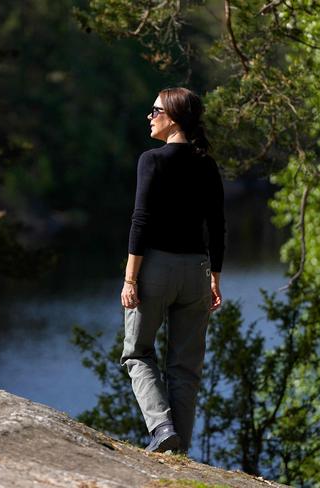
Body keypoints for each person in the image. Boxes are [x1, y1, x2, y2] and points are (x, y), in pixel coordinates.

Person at [119, 87, 225, 455]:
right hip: (197, 271)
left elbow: (141, 220)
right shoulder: (206, 163)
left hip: (157, 269)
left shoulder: (152, 160)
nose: (149, 116)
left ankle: (162, 427)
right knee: (185, 368)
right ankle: (178, 450)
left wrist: (130, 278)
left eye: (155, 110)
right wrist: (215, 276)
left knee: (137, 354)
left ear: (173, 118)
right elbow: (218, 224)